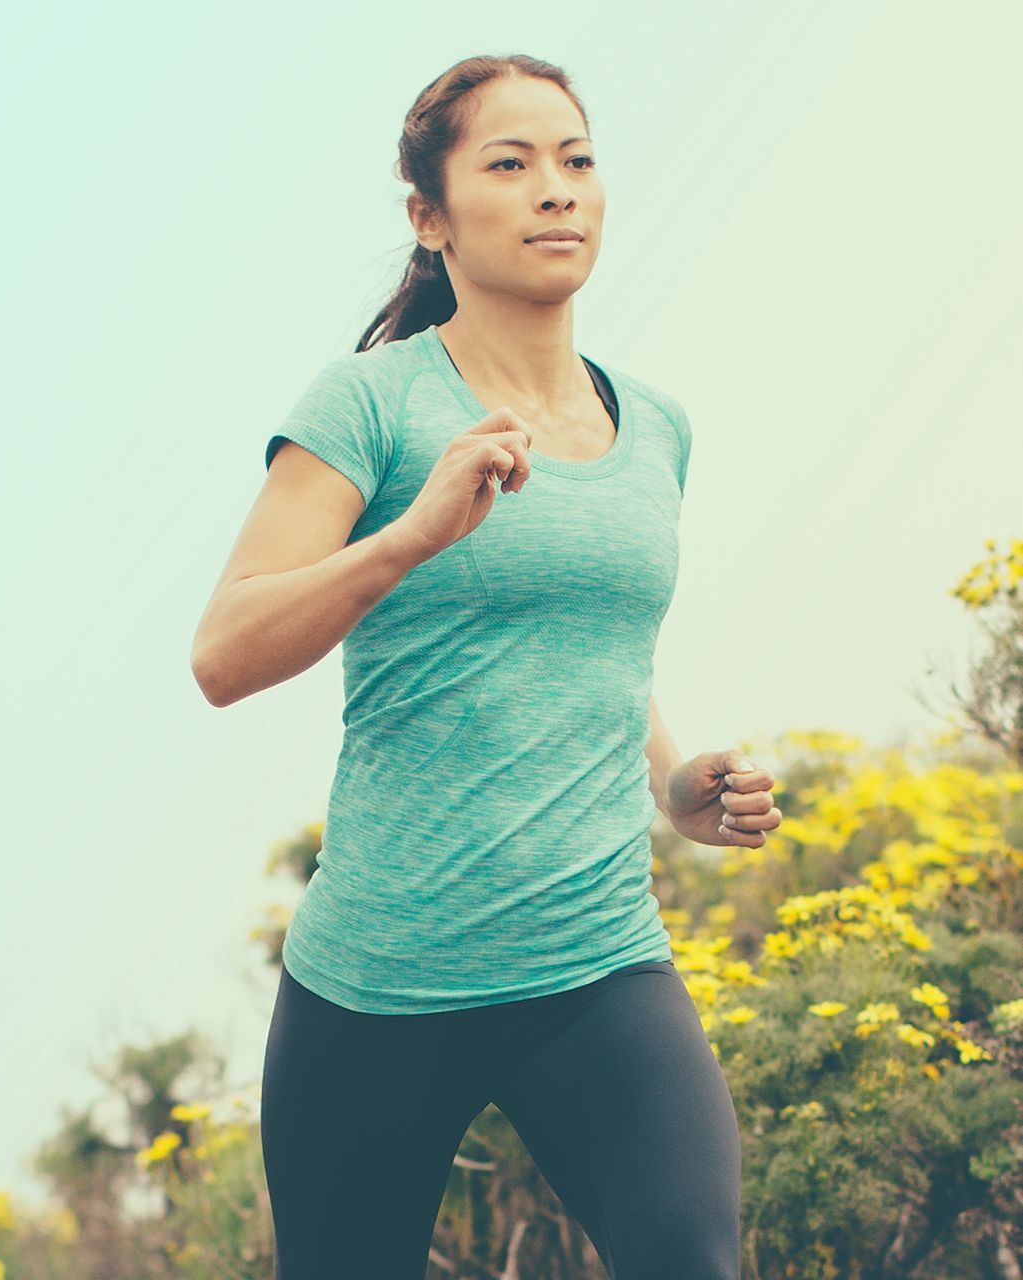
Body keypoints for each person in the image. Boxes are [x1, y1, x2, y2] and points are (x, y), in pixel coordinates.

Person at [191, 52, 782, 1280]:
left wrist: (675, 785)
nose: (553, 190)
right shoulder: (372, 404)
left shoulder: (655, 424)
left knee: (693, 1260)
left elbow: (591, 645)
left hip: (596, 962)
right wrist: (410, 536)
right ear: (429, 215)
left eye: (574, 159)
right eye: (507, 165)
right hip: (379, 989)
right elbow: (225, 651)